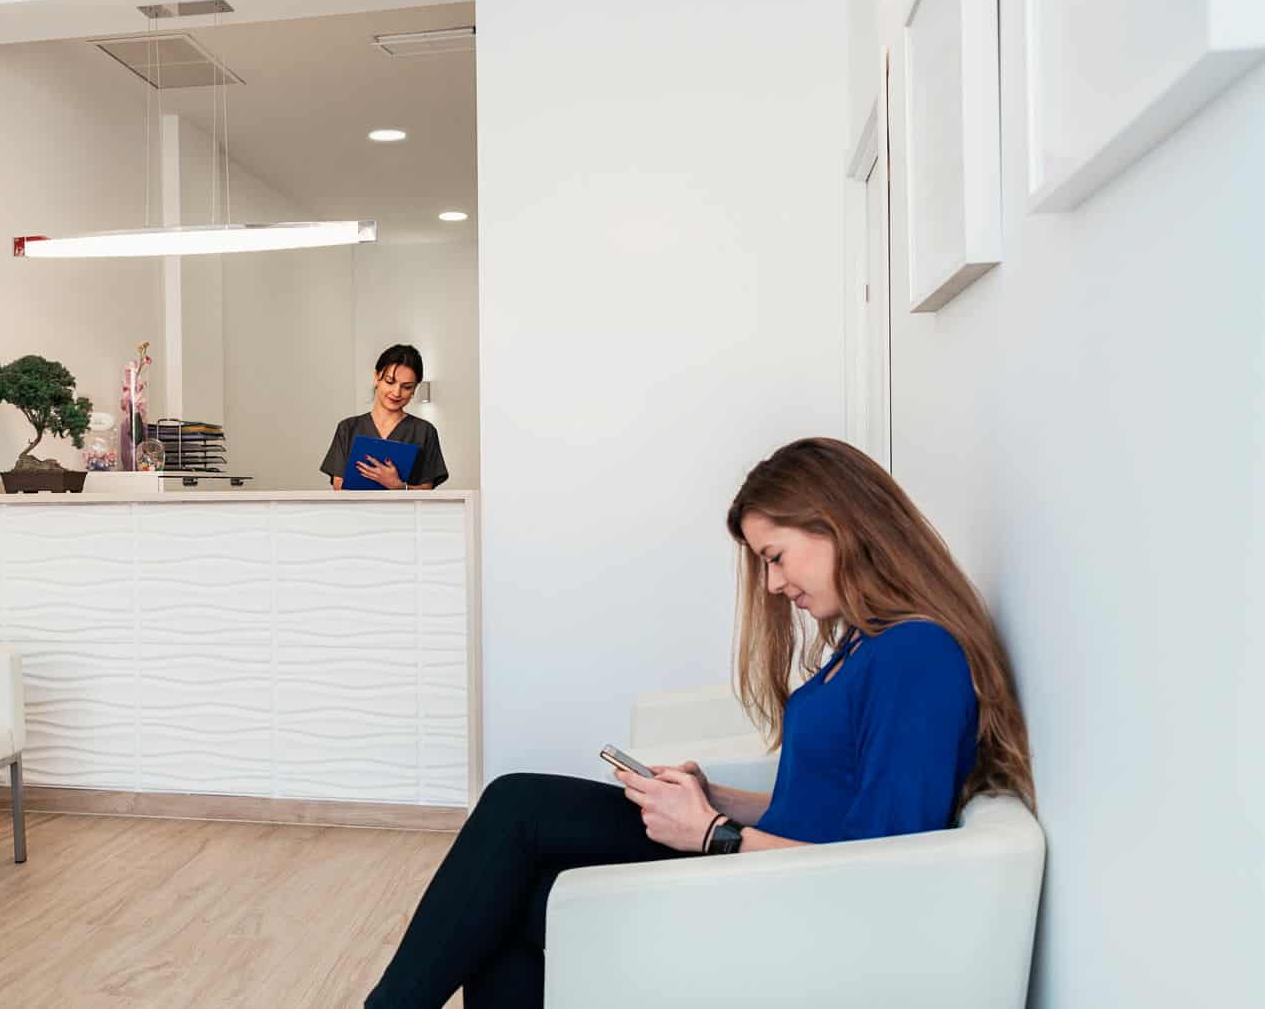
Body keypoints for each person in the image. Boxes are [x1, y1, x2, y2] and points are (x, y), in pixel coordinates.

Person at [364, 437, 1035, 1008]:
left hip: (793, 899)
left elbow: (887, 868)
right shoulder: (868, 643)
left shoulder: (916, 655)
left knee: (517, 812)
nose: (771, 585)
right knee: (516, 875)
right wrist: (715, 797)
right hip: (775, 869)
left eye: (774, 556)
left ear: (839, 524)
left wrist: (713, 835)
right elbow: (833, 807)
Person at [321, 344, 449, 491]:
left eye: (406, 387)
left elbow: (426, 491)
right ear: (377, 377)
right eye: (390, 382)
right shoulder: (348, 428)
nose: (396, 392)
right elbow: (339, 487)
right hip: (357, 513)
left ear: (415, 389)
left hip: (404, 514)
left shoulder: (424, 431)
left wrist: (398, 486)